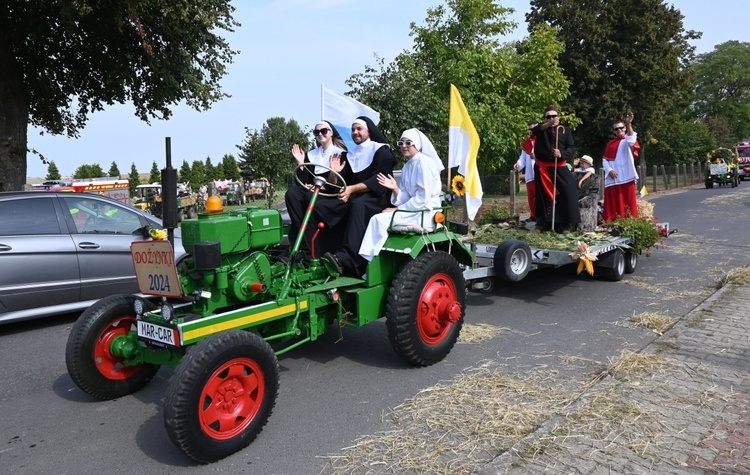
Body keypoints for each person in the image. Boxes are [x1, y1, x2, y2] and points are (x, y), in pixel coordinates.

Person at [322, 116, 397, 277]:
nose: (355, 132)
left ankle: (349, 260)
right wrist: (334, 172)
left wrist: (351, 190)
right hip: (356, 196)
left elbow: (379, 180)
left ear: (368, 131)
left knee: (358, 205)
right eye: (353, 129)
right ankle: (318, 252)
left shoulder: (381, 150)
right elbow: (340, 184)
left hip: (378, 198)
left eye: (359, 129)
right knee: (325, 205)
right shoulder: (350, 155)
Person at [358, 128, 443, 262]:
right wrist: (396, 188)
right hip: (414, 209)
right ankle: (370, 260)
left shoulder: (424, 163)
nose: (404, 146)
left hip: (425, 212)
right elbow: (407, 197)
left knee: (378, 220)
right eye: (401, 143)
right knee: (378, 217)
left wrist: (398, 209)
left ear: (417, 145)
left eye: (408, 143)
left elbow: (422, 198)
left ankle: (370, 261)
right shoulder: (407, 166)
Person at [284, 120, 348, 257]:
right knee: (292, 193)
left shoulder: (340, 154)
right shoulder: (312, 155)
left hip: (331, 195)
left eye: (323, 131)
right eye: (316, 132)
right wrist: (301, 162)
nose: (320, 134)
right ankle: (303, 237)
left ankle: (311, 248)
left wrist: (331, 173)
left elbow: (336, 186)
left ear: (331, 133)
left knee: (309, 197)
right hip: (313, 191)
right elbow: (303, 181)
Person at [530, 104, 580, 233]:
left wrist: (562, 154)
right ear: (545, 118)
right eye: (549, 116)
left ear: (558, 117)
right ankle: (542, 224)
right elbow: (535, 130)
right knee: (542, 197)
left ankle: (565, 224)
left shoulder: (565, 130)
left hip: (560, 167)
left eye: (554, 116)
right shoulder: (540, 129)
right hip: (543, 168)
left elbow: (571, 148)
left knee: (568, 192)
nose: (552, 118)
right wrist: (548, 124)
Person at [602, 111, 640, 221]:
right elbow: (604, 160)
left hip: (627, 176)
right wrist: (609, 170)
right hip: (614, 177)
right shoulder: (610, 144)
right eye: (616, 129)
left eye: (621, 128)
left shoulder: (628, 140)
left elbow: (632, 140)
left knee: (629, 202)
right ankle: (613, 223)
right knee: (614, 202)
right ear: (613, 132)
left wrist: (629, 124)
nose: (619, 130)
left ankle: (630, 223)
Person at [513, 122, 537, 222]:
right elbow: (523, 158)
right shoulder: (526, 143)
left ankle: (543, 217)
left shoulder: (543, 141)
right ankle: (533, 215)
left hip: (542, 172)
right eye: (530, 129)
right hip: (530, 174)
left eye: (533, 129)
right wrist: (518, 164)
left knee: (541, 196)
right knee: (531, 196)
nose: (531, 131)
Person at [576, 155, 599, 231]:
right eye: (580, 163)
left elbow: (589, 173)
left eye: (583, 164)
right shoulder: (579, 170)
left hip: (585, 194)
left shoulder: (591, 170)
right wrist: (574, 166)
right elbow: (573, 171)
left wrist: (581, 180)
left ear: (588, 164)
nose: (581, 165)